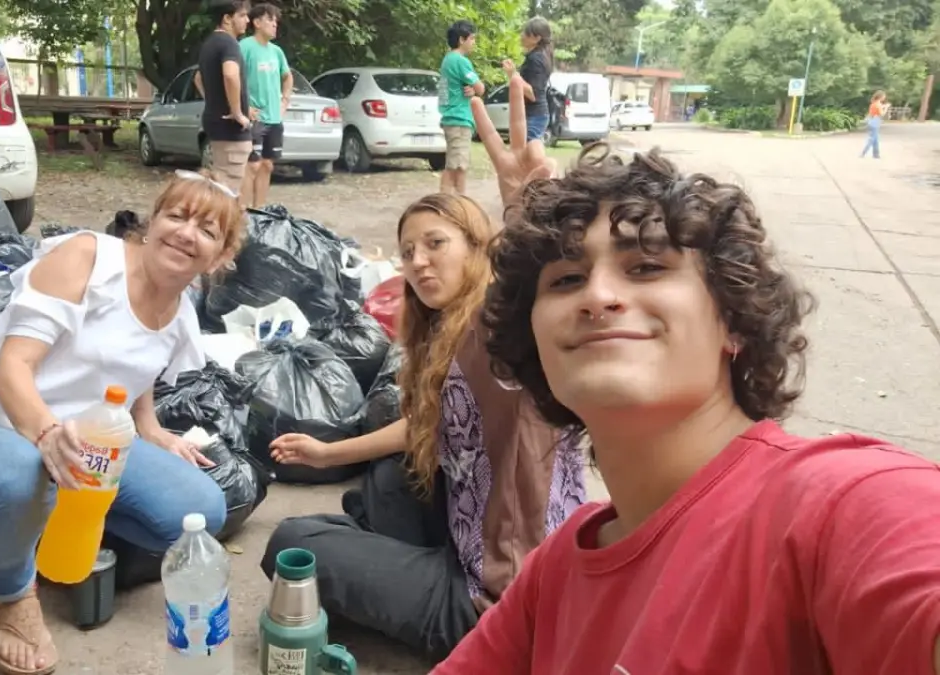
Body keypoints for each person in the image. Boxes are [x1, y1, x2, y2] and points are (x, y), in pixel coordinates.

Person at [434, 82, 940, 675]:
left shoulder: (841, 503)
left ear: (733, 320)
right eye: (565, 280)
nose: (598, 296)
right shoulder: (557, 571)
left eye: (647, 266)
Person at [0, 170, 243, 675]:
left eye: (207, 230)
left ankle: (41, 522)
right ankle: (10, 594)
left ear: (219, 257)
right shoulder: (89, 259)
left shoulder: (180, 308)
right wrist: (45, 435)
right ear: (151, 223)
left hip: (82, 442)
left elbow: (137, 369)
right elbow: (11, 370)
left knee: (198, 508)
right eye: (177, 215)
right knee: (21, 473)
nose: (186, 233)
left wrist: (149, 428)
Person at [260, 154, 584, 658]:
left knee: (292, 542)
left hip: (492, 603)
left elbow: (533, 296)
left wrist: (527, 215)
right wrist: (329, 453)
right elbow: (427, 428)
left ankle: (381, 562)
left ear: (479, 248)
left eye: (436, 243)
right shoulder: (448, 331)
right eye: (408, 251)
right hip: (476, 538)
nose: (417, 261)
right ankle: (382, 552)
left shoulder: (496, 333)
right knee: (391, 475)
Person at [196, 0, 253, 198]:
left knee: (220, 181)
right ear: (227, 19)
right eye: (242, 15)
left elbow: (197, 78)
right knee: (228, 190)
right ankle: (221, 227)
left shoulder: (209, 43)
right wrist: (237, 112)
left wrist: (214, 101)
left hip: (215, 124)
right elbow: (230, 74)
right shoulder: (229, 43)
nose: (247, 20)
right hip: (231, 130)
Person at [239, 2, 293, 209]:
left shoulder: (276, 51)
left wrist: (285, 100)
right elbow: (231, 78)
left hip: (274, 118)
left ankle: (259, 211)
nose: (275, 24)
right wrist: (244, 107)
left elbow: (287, 77)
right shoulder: (245, 47)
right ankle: (242, 214)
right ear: (257, 22)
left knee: (267, 165)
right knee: (252, 165)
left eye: (276, 21)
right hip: (255, 119)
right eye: (270, 20)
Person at [438, 20, 484, 196]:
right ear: (461, 40)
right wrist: (475, 89)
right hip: (459, 120)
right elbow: (480, 88)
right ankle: (456, 206)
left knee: (455, 164)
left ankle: (450, 205)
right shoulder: (461, 61)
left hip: (450, 118)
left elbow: (445, 93)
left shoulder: (447, 60)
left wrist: (469, 89)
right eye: (472, 38)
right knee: (457, 167)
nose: (474, 43)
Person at [503, 17, 554, 143]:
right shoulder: (540, 56)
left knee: (525, 157)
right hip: (534, 114)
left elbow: (532, 94)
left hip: (534, 116)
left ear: (537, 38)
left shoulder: (536, 59)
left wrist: (513, 74)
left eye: (526, 33)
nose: (522, 35)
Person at [862, 90, 890, 159]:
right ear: (881, 97)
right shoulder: (878, 104)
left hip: (871, 120)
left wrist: (884, 106)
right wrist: (886, 108)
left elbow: (876, 109)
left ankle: (876, 154)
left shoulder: (873, 103)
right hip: (876, 121)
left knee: (875, 138)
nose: (884, 97)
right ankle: (863, 153)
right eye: (884, 96)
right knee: (872, 139)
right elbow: (882, 114)